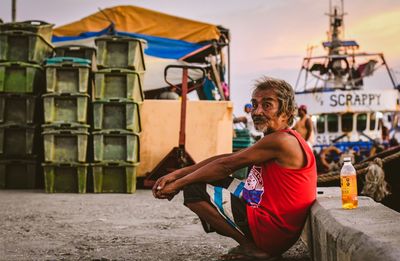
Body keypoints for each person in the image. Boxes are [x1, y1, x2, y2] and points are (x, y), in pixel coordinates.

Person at [152, 77, 317, 260]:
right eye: (254, 105)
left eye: (267, 105)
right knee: (202, 178)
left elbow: (226, 165)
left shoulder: (282, 141)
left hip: (272, 230)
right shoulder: (275, 138)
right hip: (270, 219)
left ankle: (251, 248)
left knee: (193, 190)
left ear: (285, 112)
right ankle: (252, 244)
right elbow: (228, 158)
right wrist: (179, 173)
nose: (257, 111)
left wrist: (180, 183)